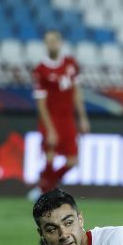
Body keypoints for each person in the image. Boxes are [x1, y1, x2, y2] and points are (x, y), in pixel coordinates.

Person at [27, 30, 89, 201]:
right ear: (45, 45)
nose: (52, 44)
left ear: (60, 43)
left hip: (67, 118)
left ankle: (45, 186)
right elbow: (41, 103)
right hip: (50, 118)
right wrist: (50, 129)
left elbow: (76, 92)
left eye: (54, 41)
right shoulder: (40, 70)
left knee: (73, 160)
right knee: (50, 154)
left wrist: (83, 118)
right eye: (48, 41)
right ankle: (45, 191)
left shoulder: (70, 64)